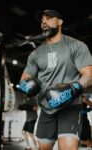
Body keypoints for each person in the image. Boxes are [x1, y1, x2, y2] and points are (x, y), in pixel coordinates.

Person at [19, 9, 92, 150]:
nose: (44, 22)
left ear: (60, 22)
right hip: (46, 110)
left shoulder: (76, 46)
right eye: (42, 20)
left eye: (49, 18)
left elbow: (89, 75)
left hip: (70, 108)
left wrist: (73, 88)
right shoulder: (36, 54)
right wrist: (27, 87)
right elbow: (25, 77)